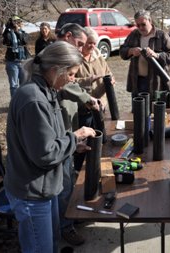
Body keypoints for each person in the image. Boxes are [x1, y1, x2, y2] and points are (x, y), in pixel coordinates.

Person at [4, 41, 96, 253]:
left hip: (45, 186)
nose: (73, 80)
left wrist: (73, 146)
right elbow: (45, 154)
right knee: (40, 249)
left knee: (50, 243)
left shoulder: (46, 91)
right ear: (56, 70)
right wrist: (75, 136)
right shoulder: (34, 100)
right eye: (71, 74)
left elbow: (49, 139)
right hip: (32, 192)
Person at [55, 22, 99, 247]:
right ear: (68, 36)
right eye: (80, 43)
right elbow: (66, 84)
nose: (82, 48)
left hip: (67, 124)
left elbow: (70, 83)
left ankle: (69, 216)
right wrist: (86, 98)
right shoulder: (54, 59)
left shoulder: (64, 57)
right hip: (58, 129)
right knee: (63, 181)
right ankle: (65, 226)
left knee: (69, 175)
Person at [73, 26, 116, 172]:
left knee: (100, 137)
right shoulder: (75, 58)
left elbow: (107, 71)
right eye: (89, 43)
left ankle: (96, 167)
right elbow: (69, 82)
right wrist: (89, 79)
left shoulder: (97, 54)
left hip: (100, 105)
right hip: (83, 107)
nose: (92, 46)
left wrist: (111, 78)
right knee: (83, 142)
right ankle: (78, 170)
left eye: (94, 43)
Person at [120, 10, 170, 100]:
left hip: (157, 83)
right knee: (139, 111)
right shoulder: (134, 34)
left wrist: (157, 55)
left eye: (143, 24)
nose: (140, 28)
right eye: (138, 25)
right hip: (138, 81)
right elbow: (122, 52)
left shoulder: (161, 35)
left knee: (156, 111)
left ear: (150, 21)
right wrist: (131, 51)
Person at [2, 16, 30, 97]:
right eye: (14, 22)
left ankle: (23, 102)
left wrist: (17, 31)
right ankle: (15, 104)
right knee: (13, 85)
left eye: (18, 22)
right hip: (12, 61)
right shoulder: (8, 33)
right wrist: (7, 29)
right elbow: (7, 41)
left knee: (24, 84)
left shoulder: (24, 33)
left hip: (23, 61)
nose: (16, 24)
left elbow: (24, 41)